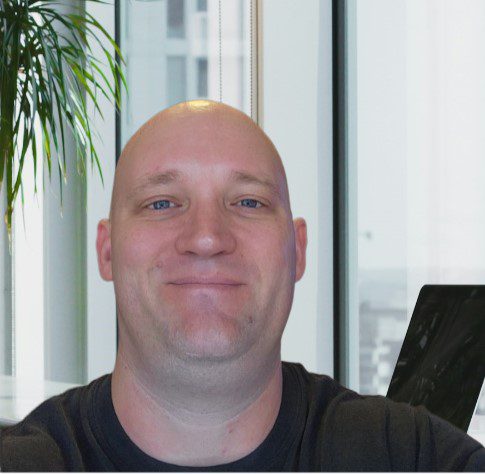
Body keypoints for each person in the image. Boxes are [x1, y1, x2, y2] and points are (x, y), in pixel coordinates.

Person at [1, 100, 484, 472]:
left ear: (297, 249)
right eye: (162, 203)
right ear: (107, 250)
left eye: (249, 202)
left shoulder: (412, 458)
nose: (207, 237)